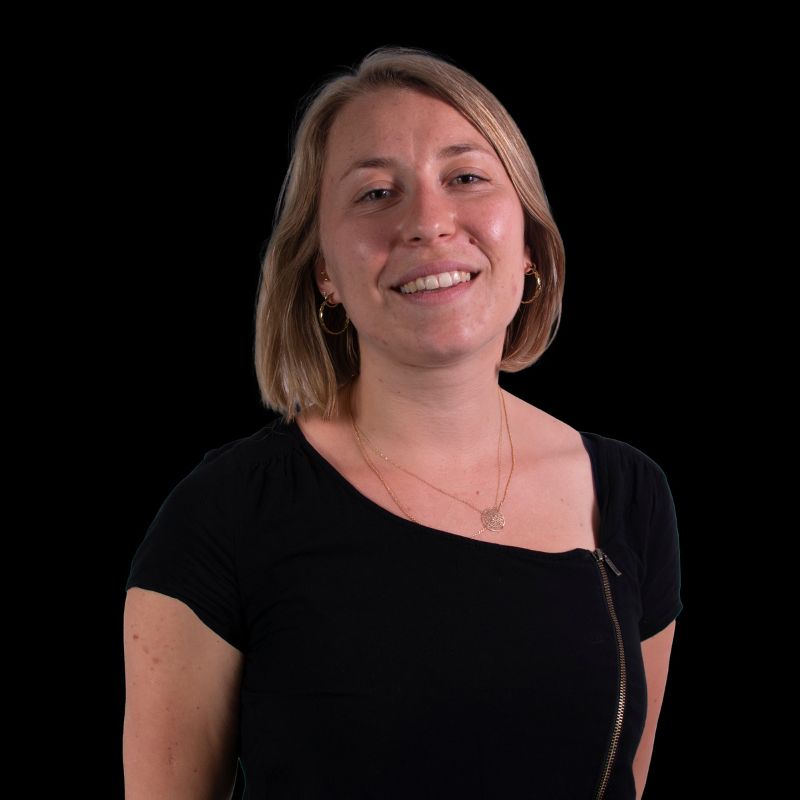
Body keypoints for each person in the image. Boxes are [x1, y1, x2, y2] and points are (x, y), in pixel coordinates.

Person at [123, 45, 684, 799]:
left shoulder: (629, 495)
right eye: (376, 193)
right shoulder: (221, 516)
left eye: (465, 178)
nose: (428, 221)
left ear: (528, 245)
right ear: (323, 271)